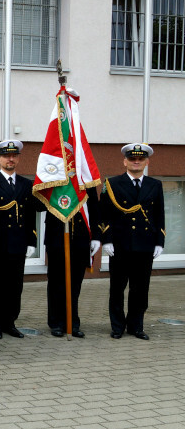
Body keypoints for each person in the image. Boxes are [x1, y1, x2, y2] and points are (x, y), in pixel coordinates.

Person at [100, 143, 165, 340]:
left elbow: (159, 214)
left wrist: (159, 241)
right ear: (125, 161)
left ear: (146, 162)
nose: (136, 162)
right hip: (120, 244)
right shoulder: (112, 184)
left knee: (140, 289)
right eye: (132, 159)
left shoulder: (155, 185)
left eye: (140, 159)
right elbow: (104, 214)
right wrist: (106, 240)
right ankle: (118, 326)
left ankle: (136, 326)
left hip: (145, 245)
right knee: (117, 288)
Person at [0, 140, 41, 339]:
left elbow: (32, 213)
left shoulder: (27, 184)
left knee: (15, 286)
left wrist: (32, 241)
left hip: (18, 243)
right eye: (6, 156)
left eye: (14, 156)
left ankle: (10, 322)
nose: (10, 159)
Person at [44, 188, 100, 338]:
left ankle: (73, 322)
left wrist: (96, 236)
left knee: (75, 284)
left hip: (80, 238)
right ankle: (56, 322)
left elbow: (94, 207)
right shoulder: (53, 176)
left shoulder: (85, 178)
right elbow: (39, 204)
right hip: (57, 237)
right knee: (56, 282)